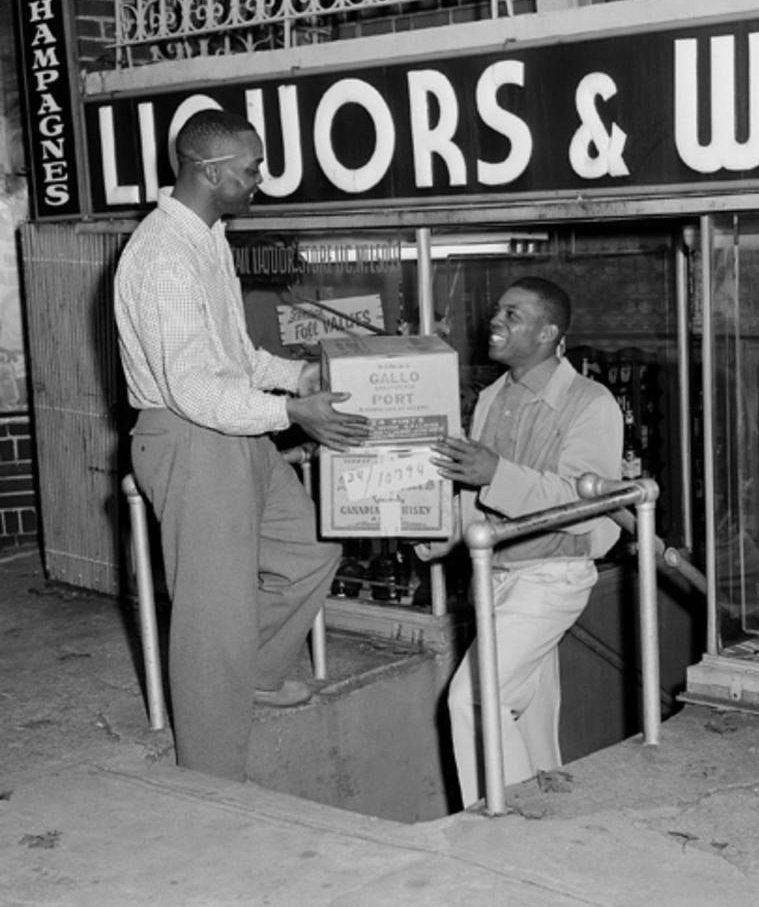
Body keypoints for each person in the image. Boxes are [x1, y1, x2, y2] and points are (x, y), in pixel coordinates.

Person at [113, 109, 370, 781]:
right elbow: (195, 391)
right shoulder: (164, 257)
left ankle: (254, 674)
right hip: (191, 437)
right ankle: (212, 775)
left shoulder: (209, 237)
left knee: (310, 547)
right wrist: (295, 413)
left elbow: (238, 358)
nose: (260, 179)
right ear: (209, 170)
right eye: (251, 168)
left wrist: (301, 377)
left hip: (234, 426)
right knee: (213, 608)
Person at [427, 276, 622, 807]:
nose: (496, 321)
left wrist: (495, 472)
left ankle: (503, 828)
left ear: (547, 332)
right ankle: (550, 822)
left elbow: (582, 506)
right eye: (497, 311)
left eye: (513, 315)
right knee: (529, 719)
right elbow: (477, 500)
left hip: (551, 577)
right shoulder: (493, 396)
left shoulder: (590, 402)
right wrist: (437, 534)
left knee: (475, 699)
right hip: (497, 579)